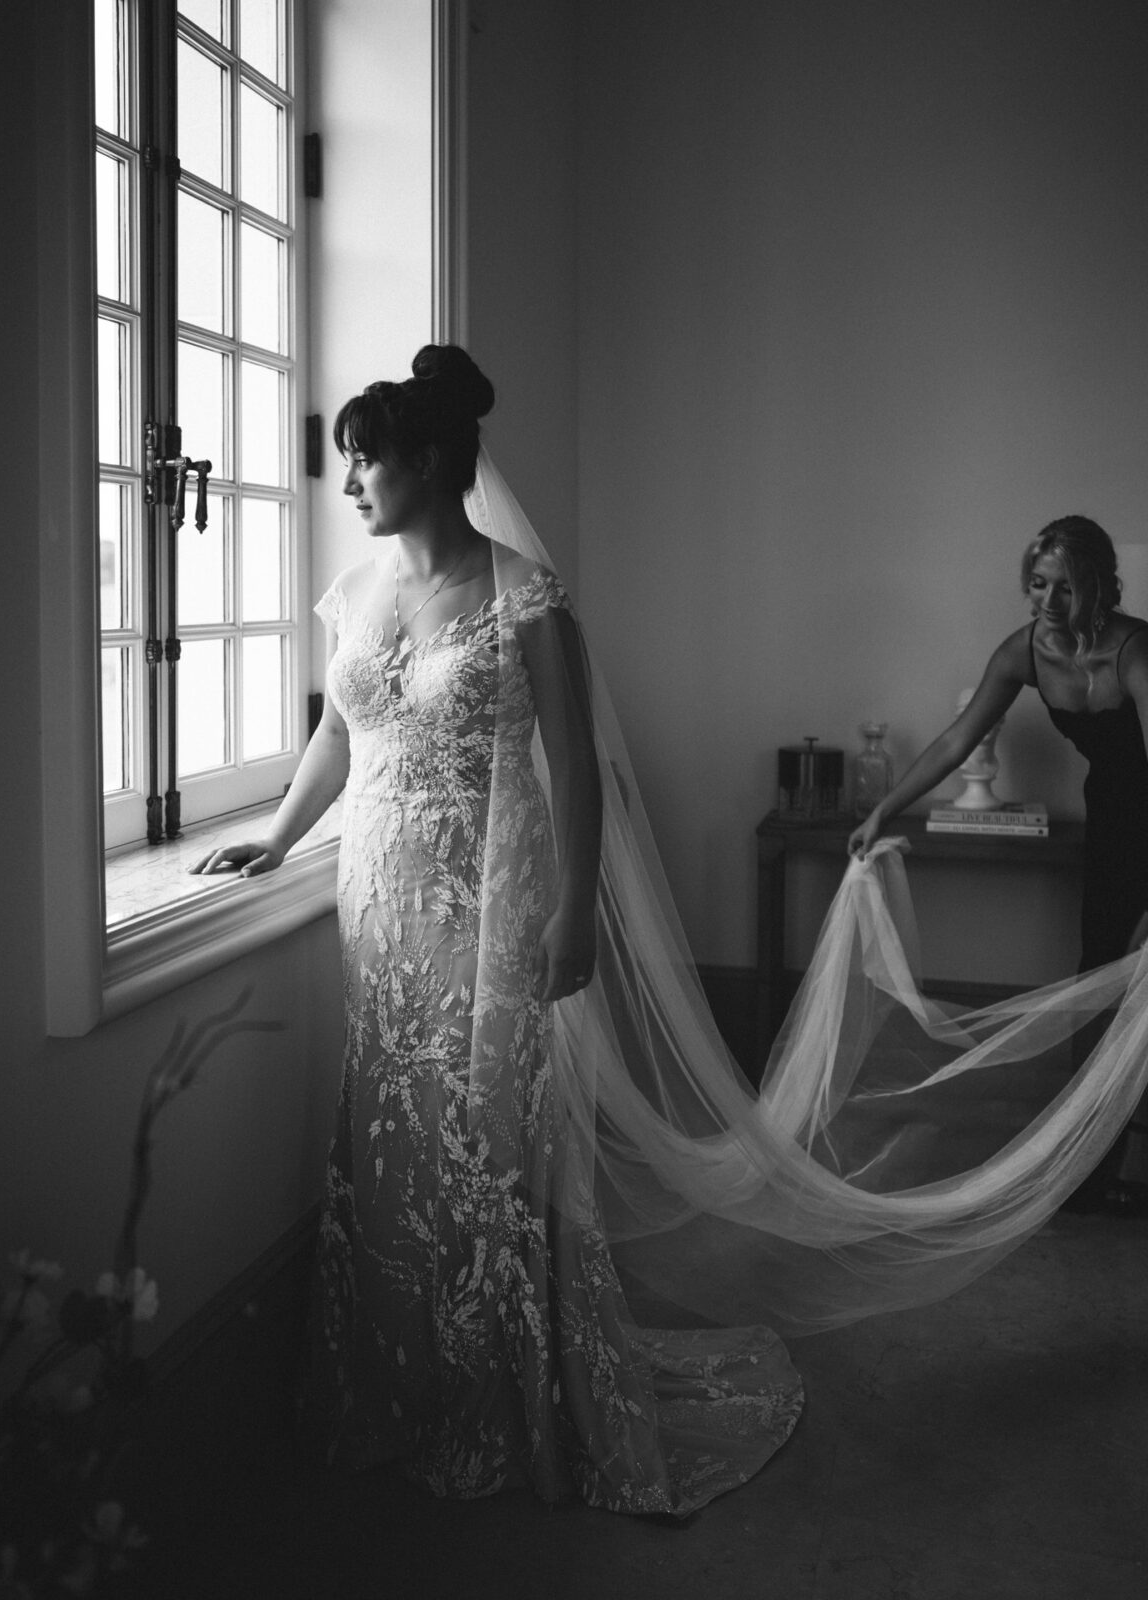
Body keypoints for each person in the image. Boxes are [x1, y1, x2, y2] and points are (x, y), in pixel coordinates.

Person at [189, 346, 802, 1514]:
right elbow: (337, 736)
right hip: (379, 910)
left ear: (428, 461)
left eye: (366, 460)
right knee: (392, 1137)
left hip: (487, 907)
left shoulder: (526, 597)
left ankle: (497, 1391)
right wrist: (274, 839)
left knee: (486, 1138)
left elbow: (572, 765)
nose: (352, 482)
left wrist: (574, 908)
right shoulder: (358, 593)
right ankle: (399, 1377)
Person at [847, 515, 1148, 1214]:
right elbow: (955, 741)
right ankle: (1084, 1136)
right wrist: (883, 810)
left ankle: (1146, 1139)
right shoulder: (1022, 652)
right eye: (1038, 583)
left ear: (1099, 588)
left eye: (1066, 587)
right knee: (1096, 969)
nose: (1048, 602)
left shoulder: (1136, 649)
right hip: (1118, 815)